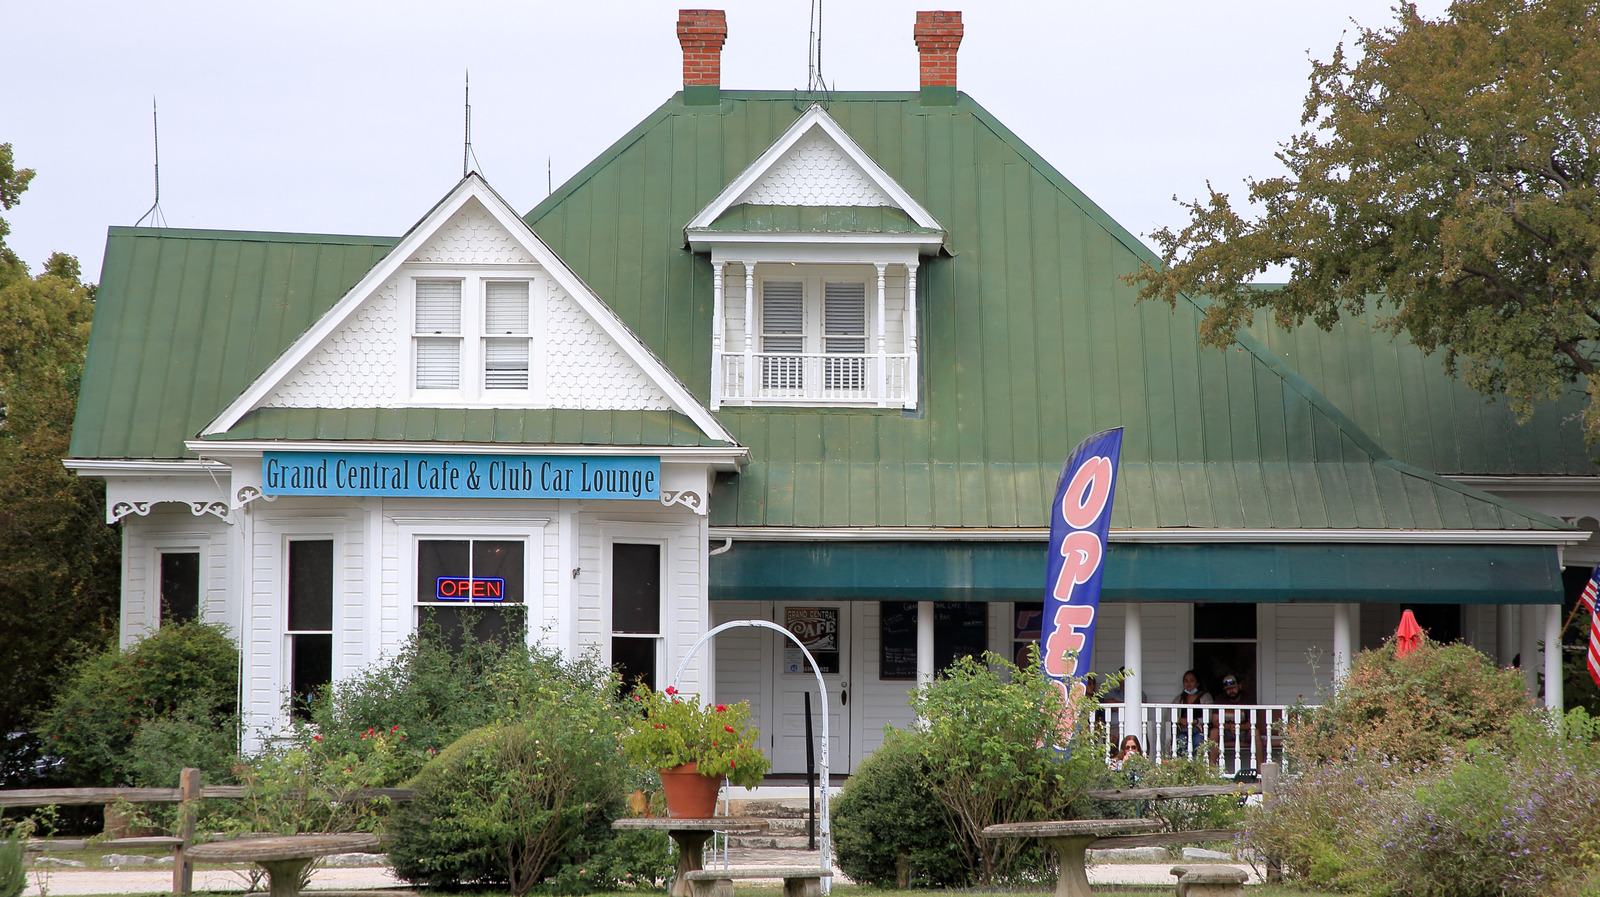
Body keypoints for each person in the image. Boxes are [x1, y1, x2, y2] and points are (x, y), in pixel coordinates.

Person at [1214, 673, 1262, 771]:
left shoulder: (1248, 698)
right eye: (1228, 689)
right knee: (1213, 732)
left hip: (1244, 732)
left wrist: (1239, 727)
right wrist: (1228, 727)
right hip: (1226, 732)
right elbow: (1215, 721)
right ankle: (1211, 770)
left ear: (1239, 686)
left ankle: (1260, 770)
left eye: (1233, 688)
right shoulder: (1220, 699)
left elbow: (1253, 722)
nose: (1231, 691)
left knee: (1255, 733)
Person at [1172, 669, 1212, 757]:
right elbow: (1168, 714)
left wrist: (1196, 721)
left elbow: (1210, 715)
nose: (1188, 683)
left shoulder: (1205, 697)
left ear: (1197, 683)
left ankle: (1196, 768)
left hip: (1199, 730)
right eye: (1186, 681)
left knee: (1198, 741)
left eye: (1192, 681)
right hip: (1183, 731)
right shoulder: (1180, 698)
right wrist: (1179, 719)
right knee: (1181, 740)